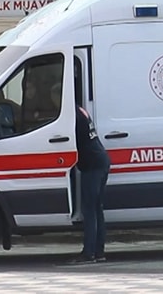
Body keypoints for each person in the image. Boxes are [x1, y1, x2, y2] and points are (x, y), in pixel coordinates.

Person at [67, 105, 111, 264]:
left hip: (93, 165)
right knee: (97, 209)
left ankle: (89, 253)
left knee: (90, 210)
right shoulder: (80, 110)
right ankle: (99, 252)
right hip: (100, 160)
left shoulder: (73, 115)